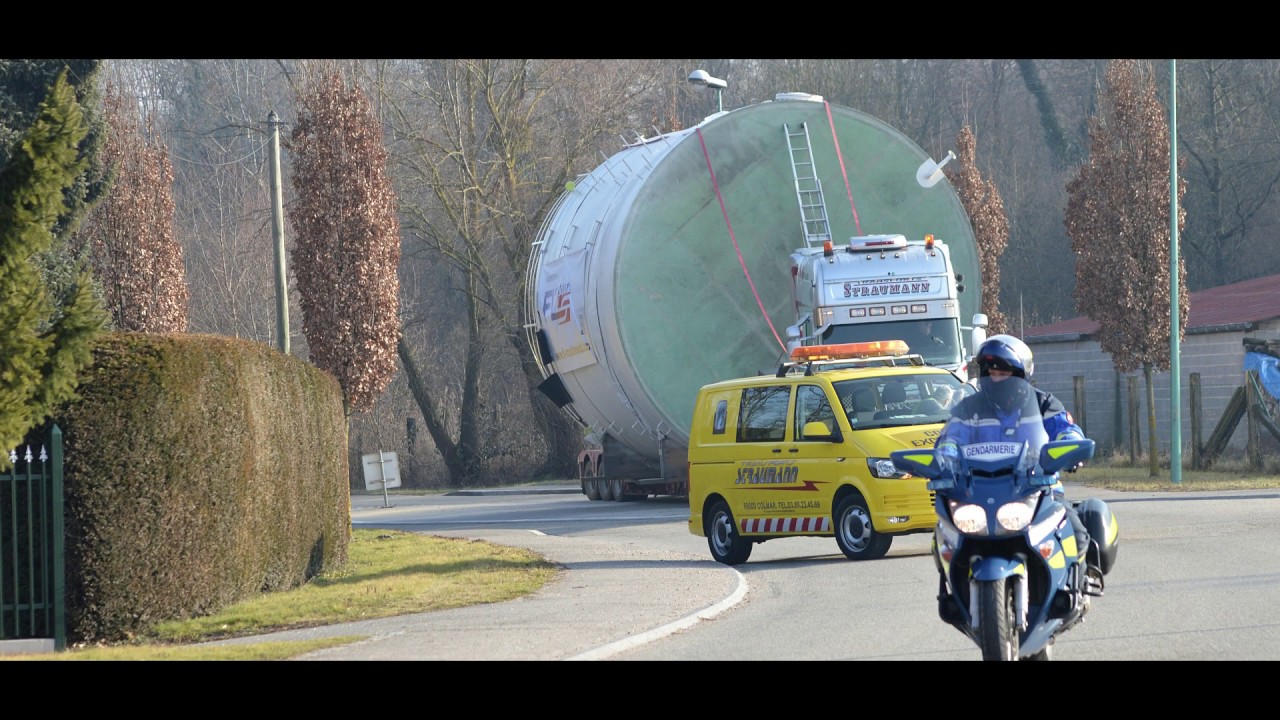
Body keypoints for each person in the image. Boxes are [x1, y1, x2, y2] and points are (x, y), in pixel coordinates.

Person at [933, 334, 1100, 577]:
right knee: (946, 536)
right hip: (979, 493)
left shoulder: (1043, 404)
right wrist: (944, 457)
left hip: (1038, 488)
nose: (996, 379)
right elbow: (950, 438)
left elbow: (1066, 429)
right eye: (990, 373)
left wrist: (1069, 447)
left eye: (1003, 373)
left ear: (1021, 375)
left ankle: (1075, 583)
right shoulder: (968, 409)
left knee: (1077, 534)